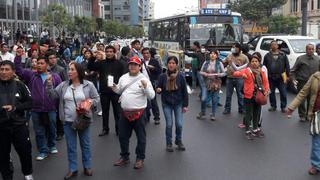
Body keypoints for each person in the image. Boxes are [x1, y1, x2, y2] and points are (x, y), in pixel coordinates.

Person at [46, 62, 100, 179]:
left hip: (83, 120)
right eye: (68, 70)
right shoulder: (64, 85)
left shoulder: (88, 85)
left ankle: (87, 166)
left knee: (85, 144)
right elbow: (52, 96)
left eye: (72, 69)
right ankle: (73, 168)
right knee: (71, 146)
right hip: (67, 121)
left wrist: (89, 103)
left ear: (79, 71)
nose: (69, 72)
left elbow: (96, 98)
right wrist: (49, 84)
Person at [14, 54, 62, 161]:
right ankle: (43, 150)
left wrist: (58, 107)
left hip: (51, 108)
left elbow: (59, 92)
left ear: (47, 65)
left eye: (41, 63)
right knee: (39, 131)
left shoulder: (55, 77)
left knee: (52, 129)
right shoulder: (32, 75)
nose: (38, 65)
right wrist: (18, 56)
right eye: (37, 63)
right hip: (36, 108)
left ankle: (52, 145)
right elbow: (18, 71)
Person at [112, 56, 154, 169]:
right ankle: (124, 157)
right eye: (131, 64)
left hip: (139, 113)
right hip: (125, 113)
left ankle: (140, 158)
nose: (132, 66)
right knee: (122, 136)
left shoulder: (144, 79)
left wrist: (145, 87)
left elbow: (152, 96)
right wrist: (114, 87)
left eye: (135, 65)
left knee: (141, 137)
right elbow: (119, 90)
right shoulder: (123, 78)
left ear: (140, 67)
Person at [0, 61, 34, 180]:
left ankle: (28, 173)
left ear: (13, 72)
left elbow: (30, 102)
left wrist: (15, 108)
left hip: (19, 126)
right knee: (3, 156)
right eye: (2, 69)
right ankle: (7, 176)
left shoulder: (20, 85)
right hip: (2, 128)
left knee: (25, 152)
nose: (3, 72)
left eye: (6, 69)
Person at [287, 71, 320, 175]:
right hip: (317, 113)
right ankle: (316, 165)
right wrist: (292, 107)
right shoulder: (315, 77)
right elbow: (303, 92)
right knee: (316, 140)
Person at [88, 46, 125, 136]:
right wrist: (93, 56)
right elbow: (90, 66)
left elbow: (123, 77)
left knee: (117, 112)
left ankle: (118, 129)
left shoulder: (119, 63)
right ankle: (105, 129)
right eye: (107, 51)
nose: (109, 53)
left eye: (111, 51)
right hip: (104, 91)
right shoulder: (101, 63)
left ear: (114, 52)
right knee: (105, 111)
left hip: (116, 91)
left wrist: (121, 89)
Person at [233, 52, 269, 140]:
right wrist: (242, 74)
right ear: (250, 63)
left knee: (256, 113)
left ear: (259, 62)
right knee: (248, 114)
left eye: (256, 61)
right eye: (252, 61)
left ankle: (255, 129)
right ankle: (248, 131)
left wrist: (266, 91)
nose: (254, 63)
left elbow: (265, 82)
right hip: (249, 96)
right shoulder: (247, 70)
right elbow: (235, 73)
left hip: (259, 95)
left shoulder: (262, 71)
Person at [156, 56, 189, 152]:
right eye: (170, 63)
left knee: (179, 124)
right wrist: (158, 90)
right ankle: (169, 143)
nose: (171, 65)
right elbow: (158, 88)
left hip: (178, 103)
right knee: (169, 124)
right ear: (167, 64)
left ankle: (178, 141)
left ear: (176, 65)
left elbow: (184, 92)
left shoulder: (180, 77)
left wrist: (185, 105)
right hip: (167, 103)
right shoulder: (162, 76)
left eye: (173, 63)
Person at [291, 44, 320, 122]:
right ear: (306, 50)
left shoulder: (317, 59)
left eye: (312, 49)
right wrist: (293, 79)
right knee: (302, 99)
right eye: (309, 49)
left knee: (311, 99)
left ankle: (309, 114)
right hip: (302, 82)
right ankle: (302, 115)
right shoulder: (300, 59)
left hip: (314, 82)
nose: (311, 50)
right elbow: (293, 70)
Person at [198, 50, 226, 121]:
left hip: (216, 83)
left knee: (214, 100)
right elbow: (200, 71)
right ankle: (203, 112)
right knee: (203, 99)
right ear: (209, 55)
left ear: (216, 56)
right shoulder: (206, 62)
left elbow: (224, 73)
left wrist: (219, 74)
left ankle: (213, 114)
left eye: (214, 54)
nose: (212, 55)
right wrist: (204, 73)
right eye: (211, 53)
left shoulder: (219, 63)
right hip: (206, 83)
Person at [263, 40, 290, 113]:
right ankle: (273, 106)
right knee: (271, 92)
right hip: (270, 77)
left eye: (275, 44)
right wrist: (264, 77)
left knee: (283, 92)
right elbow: (264, 67)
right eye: (272, 45)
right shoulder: (267, 55)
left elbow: (287, 66)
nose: (274, 46)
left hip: (281, 77)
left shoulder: (283, 55)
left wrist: (288, 76)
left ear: (277, 46)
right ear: (270, 46)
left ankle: (283, 107)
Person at [47, 50, 68, 141]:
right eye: (50, 58)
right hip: (48, 94)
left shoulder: (61, 69)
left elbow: (66, 82)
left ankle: (60, 132)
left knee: (59, 114)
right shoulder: (46, 69)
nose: (53, 60)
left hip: (58, 94)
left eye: (54, 58)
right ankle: (51, 132)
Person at [223, 43, 249, 114]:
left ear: (239, 49)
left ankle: (241, 109)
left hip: (239, 78)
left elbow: (248, 67)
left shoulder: (244, 57)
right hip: (230, 78)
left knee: (240, 95)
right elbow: (224, 63)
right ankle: (227, 109)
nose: (233, 49)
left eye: (234, 47)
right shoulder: (229, 56)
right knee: (228, 95)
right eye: (232, 47)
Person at [141, 47, 162, 124]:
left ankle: (156, 117)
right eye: (144, 53)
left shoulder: (154, 61)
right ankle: (147, 116)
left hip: (152, 83)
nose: (146, 55)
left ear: (150, 54)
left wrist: (153, 68)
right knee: (144, 100)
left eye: (147, 53)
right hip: (142, 84)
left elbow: (160, 71)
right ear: (142, 54)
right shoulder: (141, 62)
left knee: (153, 100)